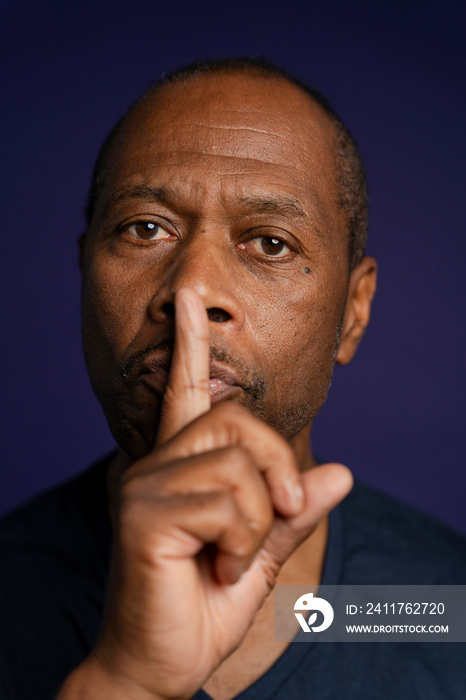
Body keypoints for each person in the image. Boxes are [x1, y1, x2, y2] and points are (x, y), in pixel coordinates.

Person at [1, 57, 465, 700]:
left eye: (271, 243)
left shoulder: (441, 605)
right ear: (83, 273)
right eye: (145, 229)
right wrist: (125, 682)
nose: (193, 289)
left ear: (353, 313)